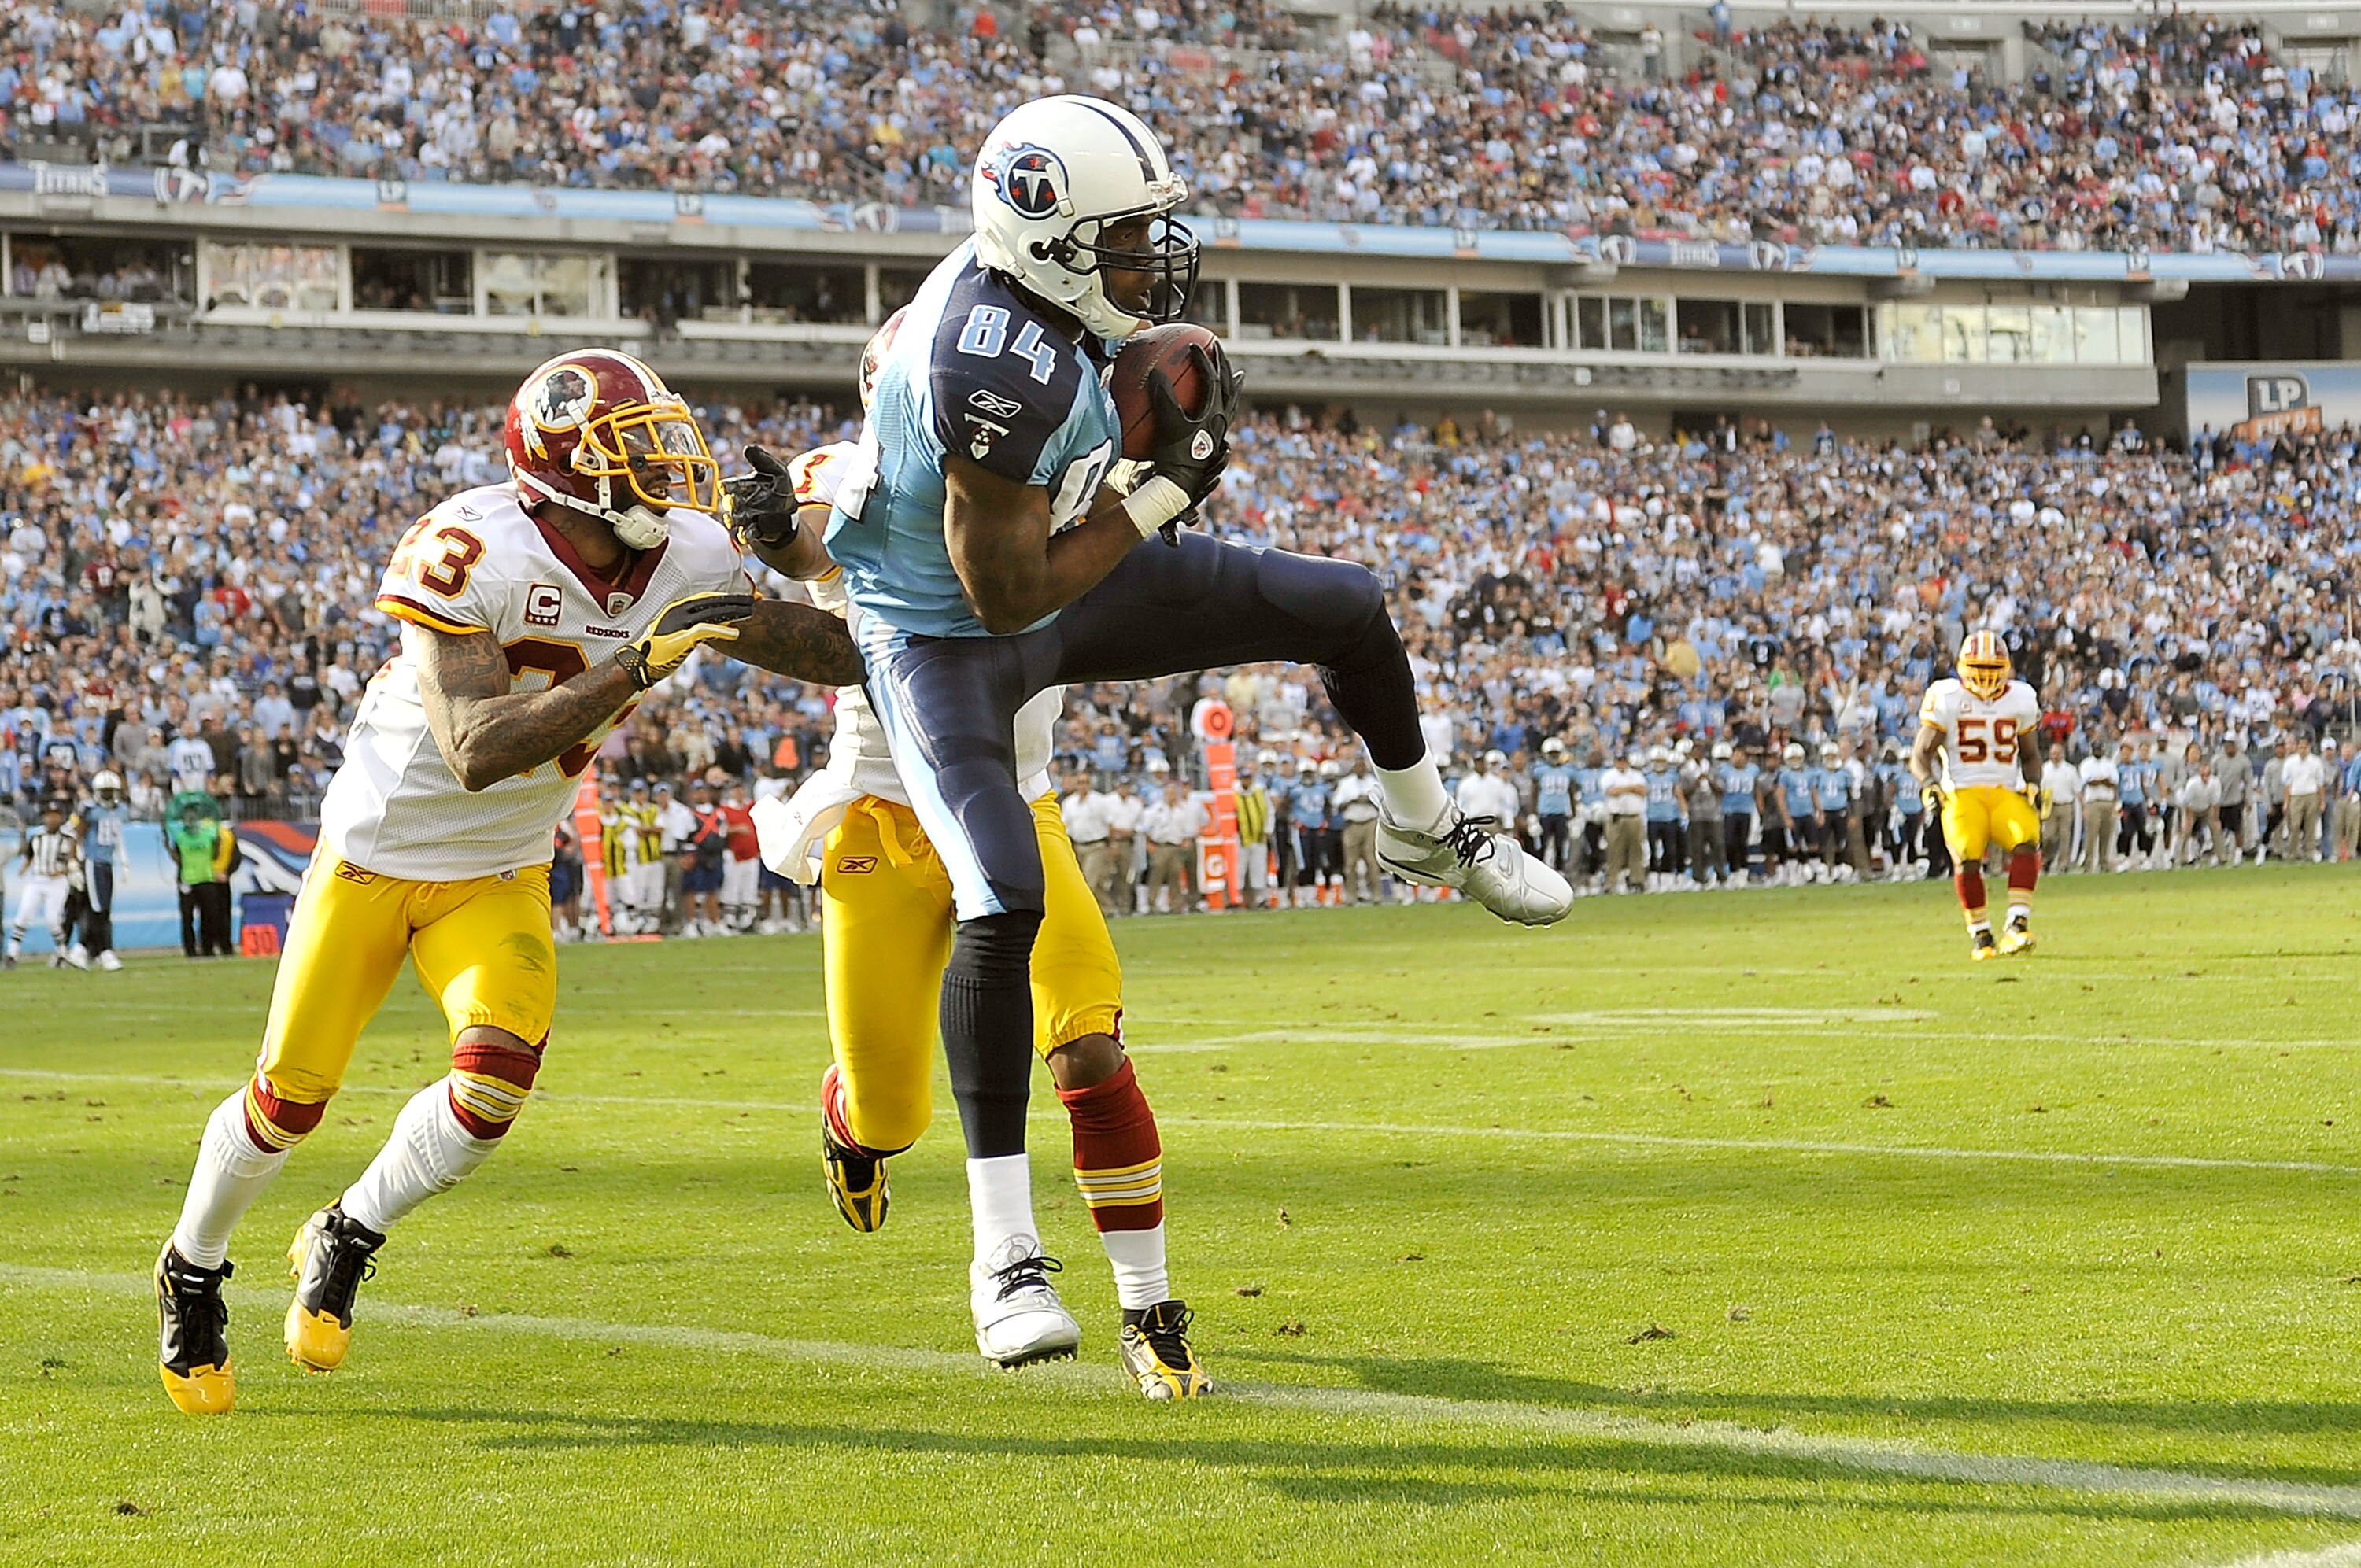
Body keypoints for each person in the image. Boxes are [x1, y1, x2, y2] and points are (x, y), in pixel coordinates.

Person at [779, 97, 1568, 1385]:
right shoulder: (971, 381)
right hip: (941, 688)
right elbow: (994, 592)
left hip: (1041, 668)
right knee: (934, 1024)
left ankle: (1424, 824)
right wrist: (1162, 486)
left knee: (1342, 607)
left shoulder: (1053, 338)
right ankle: (997, 1249)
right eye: (1125, 239)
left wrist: (1151, 456)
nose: (1151, 263)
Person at [151, 348, 859, 1416]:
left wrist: (796, 562)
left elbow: (822, 646)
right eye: (635, 454)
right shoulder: (468, 547)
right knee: (287, 1098)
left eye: (662, 445)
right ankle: (192, 1265)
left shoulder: (688, 551)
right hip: (378, 856)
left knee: (492, 1085)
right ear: (566, 472)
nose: (664, 472)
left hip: (500, 867)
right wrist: (637, 662)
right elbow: (478, 744)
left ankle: (348, 1231)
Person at [736, 411, 1207, 1397]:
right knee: (891, 1111)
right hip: (884, 817)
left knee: (1086, 1040)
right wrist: (777, 532)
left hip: (1017, 802)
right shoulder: (861, 472)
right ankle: (849, 1119)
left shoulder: (1059, 469)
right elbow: (815, 543)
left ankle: (1148, 1305)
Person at [1910, 629, 2046, 961]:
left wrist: (2034, 784)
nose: (1985, 676)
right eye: (1979, 668)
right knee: (1967, 853)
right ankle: (1981, 934)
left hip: (2005, 790)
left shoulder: (2021, 698)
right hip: (1963, 792)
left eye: (1992, 668)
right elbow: (1920, 753)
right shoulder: (1947, 696)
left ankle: (2017, 925)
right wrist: (1928, 783)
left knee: (2027, 836)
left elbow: (2030, 754)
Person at [6, 795, 79, 970]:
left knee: (53, 919)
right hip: (37, 879)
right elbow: (30, 855)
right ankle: (12, 954)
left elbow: (71, 860)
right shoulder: (37, 835)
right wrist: (24, 868)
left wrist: (64, 870)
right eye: (49, 815)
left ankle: (62, 952)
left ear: (60, 817)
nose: (52, 818)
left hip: (57, 881)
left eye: (55, 815)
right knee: (23, 915)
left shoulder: (68, 837)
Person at [68, 769, 127, 970]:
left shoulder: (121, 810)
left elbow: (118, 838)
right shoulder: (90, 809)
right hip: (93, 863)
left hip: (107, 863)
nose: (109, 795)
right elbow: (77, 835)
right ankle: (103, 951)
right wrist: (74, 863)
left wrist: (124, 862)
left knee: (102, 909)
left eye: (111, 791)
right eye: (106, 791)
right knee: (97, 909)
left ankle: (82, 950)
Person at [169, 797, 235, 957]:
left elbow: (217, 850)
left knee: (210, 916)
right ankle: (190, 950)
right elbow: (174, 852)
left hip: (207, 878)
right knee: (187, 918)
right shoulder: (180, 836)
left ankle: (208, 948)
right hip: (188, 879)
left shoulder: (209, 833)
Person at [1141, 777, 1203, 913]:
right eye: (1169, 793)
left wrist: (1185, 841)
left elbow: (1188, 830)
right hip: (1161, 846)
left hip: (1176, 847)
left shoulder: (1182, 810)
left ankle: (1176, 905)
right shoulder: (1156, 809)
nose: (1171, 796)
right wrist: (1149, 843)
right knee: (1156, 876)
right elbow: (1145, 827)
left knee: (1175, 876)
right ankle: (1152, 905)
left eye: (1174, 793)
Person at [1332, 752, 1384, 904]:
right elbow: (1337, 804)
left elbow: (1382, 803)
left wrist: (1368, 800)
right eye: (1357, 766)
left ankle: (1376, 895)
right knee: (1350, 863)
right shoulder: (1346, 783)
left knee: (1372, 861)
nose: (1360, 768)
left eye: (1362, 765)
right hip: (1352, 823)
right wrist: (1352, 801)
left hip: (1370, 822)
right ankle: (1351, 896)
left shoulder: (1373, 782)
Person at [1600, 750, 1648, 893]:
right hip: (1616, 817)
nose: (1621, 763)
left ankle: (1637, 881)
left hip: (1634, 816)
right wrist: (1631, 788)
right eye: (1619, 760)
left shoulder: (1636, 775)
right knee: (1614, 851)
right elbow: (1611, 792)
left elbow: (1643, 790)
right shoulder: (1609, 775)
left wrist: (1624, 790)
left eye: (1623, 760)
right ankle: (1611, 883)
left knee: (1636, 850)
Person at [1642, 744, 1685, 889]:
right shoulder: (1647, 777)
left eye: (1662, 761)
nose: (1659, 764)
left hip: (1669, 817)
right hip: (1652, 817)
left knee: (1670, 849)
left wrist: (1684, 813)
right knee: (1653, 850)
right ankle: (1654, 878)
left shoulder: (1672, 776)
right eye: (1657, 761)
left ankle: (1667, 878)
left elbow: (1679, 795)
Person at [1532, 737, 1576, 872]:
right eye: (1552, 754)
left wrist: (1575, 812)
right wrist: (1533, 813)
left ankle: (1560, 871)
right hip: (1544, 812)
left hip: (1562, 812)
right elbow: (1534, 792)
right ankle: (1539, 872)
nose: (1554, 756)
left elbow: (1571, 792)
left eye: (1556, 754)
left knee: (1560, 845)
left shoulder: (1568, 771)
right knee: (1542, 845)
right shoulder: (1540, 770)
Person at [1716, 742, 1757, 885]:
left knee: (1743, 842)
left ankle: (1743, 871)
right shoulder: (1724, 770)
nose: (1738, 758)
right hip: (1729, 811)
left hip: (1746, 810)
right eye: (1736, 755)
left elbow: (1756, 789)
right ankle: (1733, 870)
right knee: (1730, 842)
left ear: (1746, 758)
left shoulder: (1753, 770)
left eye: (1741, 755)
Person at [2077, 741, 2120, 874]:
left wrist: (2101, 781)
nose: (2098, 751)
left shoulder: (2109, 763)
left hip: (2108, 801)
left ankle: (2104, 862)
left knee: (2106, 834)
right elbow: (2089, 781)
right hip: (2093, 802)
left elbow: (2114, 782)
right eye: (2096, 749)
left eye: (2100, 749)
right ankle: (2088, 864)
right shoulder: (2086, 764)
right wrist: (2103, 781)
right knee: (2091, 834)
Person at [2281, 732, 2325, 862]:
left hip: (2311, 795)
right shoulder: (2290, 762)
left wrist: (2321, 801)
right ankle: (2293, 852)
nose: (2302, 750)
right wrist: (2286, 802)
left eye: (2304, 747)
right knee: (2294, 825)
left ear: (2309, 747)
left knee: (2310, 826)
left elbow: (2320, 783)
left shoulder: (2316, 762)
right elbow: (2287, 784)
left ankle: (2309, 852)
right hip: (2296, 796)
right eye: (2300, 747)